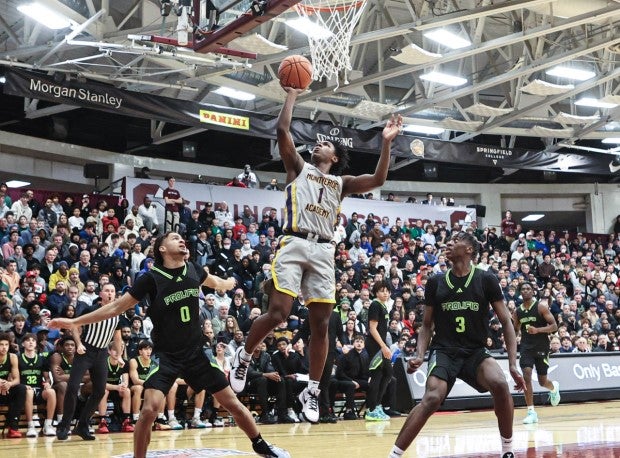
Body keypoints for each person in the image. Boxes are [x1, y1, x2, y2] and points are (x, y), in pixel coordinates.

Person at [228, 85, 402, 424]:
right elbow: (282, 130)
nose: (318, 144)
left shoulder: (343, 182)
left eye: (325, 144)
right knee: (279, 313)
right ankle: (244, 354)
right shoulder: (297, 168)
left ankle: (313, 389)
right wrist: (292, 93)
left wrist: (385, 142)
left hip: (324, 249)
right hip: (293, 242)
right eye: (317, 142)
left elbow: (379, 178)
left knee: (321, 325)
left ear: (334, 158)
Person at [49, 232, 288, 458]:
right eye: (175, 239)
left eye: (182, 239)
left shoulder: (193, 268)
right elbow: (115, 307)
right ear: (162, 249)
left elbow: (216, 282)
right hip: (167, 355)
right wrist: (74, 321)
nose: (182, 241)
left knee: (232, 403)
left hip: (197, 352)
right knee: (149, 410)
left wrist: (229, 282)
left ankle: (261, 445)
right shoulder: (150, 279)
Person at [389, 232, 525, 458]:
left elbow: (507, 324)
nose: (448, 244)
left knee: (500, 384)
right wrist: (420, 353)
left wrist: (513, 363)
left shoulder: (486, 279)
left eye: (455, 242)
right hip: (444, 351)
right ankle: (394, 455)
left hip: (475, 352)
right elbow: (426, 325)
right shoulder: (436, 282)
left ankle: (508, 450)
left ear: (469, 250)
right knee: (432, 398)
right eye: (448, 241)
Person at [54, 283, 123, 441]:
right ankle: (64, 424)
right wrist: (78, 344)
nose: (110, 293)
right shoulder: (91, 310)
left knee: (99, 391)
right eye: (107, 291)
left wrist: (118, 355)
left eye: (113, 291)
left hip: (102, 353)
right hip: (86, 351)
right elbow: (75, 326)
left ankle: (82, 425)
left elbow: (117, 337)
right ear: (101, 294)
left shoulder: (118, 313)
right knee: (72, 387)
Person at [513, 282, 561, 424]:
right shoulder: (517, 311)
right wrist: (511, 333)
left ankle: (553, 387)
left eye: (528, 289)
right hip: (526, 348)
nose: (526, 291)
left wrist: (538, 330)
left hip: (541, 346)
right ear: (520, 292)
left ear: (533, 292)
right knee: (526, 375)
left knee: (542, 381)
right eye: (523, 289)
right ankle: (531, 412)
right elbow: (515, 329)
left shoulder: (541, 307)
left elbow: (554, 326)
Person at [0, 331, 27, 438]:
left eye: (6, 345)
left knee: (21, 388)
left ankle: (13, 427)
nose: (4, 347)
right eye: (1, 345)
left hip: (5, 390)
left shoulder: (12, 357)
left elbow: (17, 380)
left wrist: (9, 384)